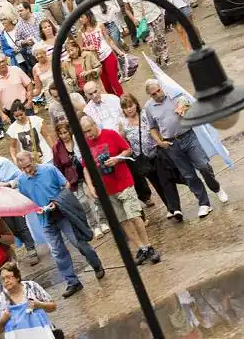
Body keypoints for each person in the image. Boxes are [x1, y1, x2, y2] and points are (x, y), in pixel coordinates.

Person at [16, 152, 105, 298]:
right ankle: (72, 282)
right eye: (23, 168)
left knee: (78, 242)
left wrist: (56, 202)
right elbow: (26, 201)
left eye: (28, 166)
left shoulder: (48, 169)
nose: (27, 170)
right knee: (57, 252)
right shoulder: (22, 181)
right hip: (45, 219)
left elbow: (66, 185)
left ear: (33, 160)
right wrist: (33, 208)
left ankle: (96, 264)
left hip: (63, 213)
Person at [81, 116, 161, 265]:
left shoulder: (110, 134)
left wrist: (117, 158)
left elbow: (128, 150)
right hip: (107, 189)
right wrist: (90, 187)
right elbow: (85, 167)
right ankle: (141, 248)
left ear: (94, 124)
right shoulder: (85, 144)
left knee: (134, 216)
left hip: (123, 183)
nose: (88, 134)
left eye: (89, 130)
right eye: (84, 132)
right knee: (123, 220)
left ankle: (148, 246)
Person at [144, 80, 228, 219]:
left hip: (188, 136)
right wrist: (160, 142)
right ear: (149, 95)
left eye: (159, 90)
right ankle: (204, 203)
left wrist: (186, 109)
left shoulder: (174, 94)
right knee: (188, 175)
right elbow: (152, 128)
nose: (158, 95)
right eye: (153, 94)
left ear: (161, 87)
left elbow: (191, 106)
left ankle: (216, 188)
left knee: (203, 166)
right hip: (171, 144)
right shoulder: (149, 107)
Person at [119, 93, 182, 220]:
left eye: (131, 105)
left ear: (136, 104)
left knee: (166, 180)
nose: (129, 109)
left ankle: (176, 209)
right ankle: (170, 208)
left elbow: (157, 127)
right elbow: (123, 141)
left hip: (157, 152)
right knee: (157, 184)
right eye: (126, 107)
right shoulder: (122, 123)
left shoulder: (145, 115)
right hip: (142, 159)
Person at [0, 144, 39, 265]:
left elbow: (19, 177)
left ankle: (31, 249)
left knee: (21, 225)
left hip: (11, 197)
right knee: (11, 228)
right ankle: (24, 245)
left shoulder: (5, 163)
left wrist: (6, 184)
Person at [52, 121, 106, 239]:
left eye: (65, 132)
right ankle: (94, 225)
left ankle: (103, 221)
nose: (63, 135)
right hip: (72, 178)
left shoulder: (78, 140)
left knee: (97, 195)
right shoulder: (57, 147)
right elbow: (57, 166)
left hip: (87, 171)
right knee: (83, 202)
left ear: (70, 131)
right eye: (60, 133)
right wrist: (62, 181)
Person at [0, 262, 59, 339]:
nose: (6, 281)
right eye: (3, 279)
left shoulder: (31, 287)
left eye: (8, 277)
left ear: (17, 277)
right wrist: (2, 321)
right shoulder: (0, 301)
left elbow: (53, 307)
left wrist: (40, 305)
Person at [123, 0, 169, 66]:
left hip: (155, 15)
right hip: (142, 21)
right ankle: (157, 55)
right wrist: (133, 19)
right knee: (151, 40)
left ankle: (166, 55)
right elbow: (127, 9)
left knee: (161, 36)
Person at [78, 12, 124, 97]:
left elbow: (108, 40)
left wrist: (119, 52)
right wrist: (88, 48)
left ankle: (123, 100)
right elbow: (80, 49)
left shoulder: (99, 25)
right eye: (79, 18)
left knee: (114, 81)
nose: (80, 19)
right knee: (106, 86)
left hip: (107, 54)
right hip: (96, 62)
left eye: (82, 17)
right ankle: (114, 101)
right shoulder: (81, 32)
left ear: (88, 17)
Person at [0, 54, 33, 125]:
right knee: (19, 134)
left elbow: (28, 84)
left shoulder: (15, 69)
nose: (2, 64)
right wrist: (2, 115)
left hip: (25, 106)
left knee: (33, 129)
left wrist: (30, 100)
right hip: (11, 112)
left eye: (3, 61)